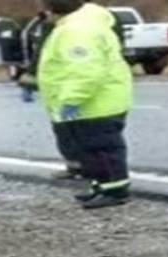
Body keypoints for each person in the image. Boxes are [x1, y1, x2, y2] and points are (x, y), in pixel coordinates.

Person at [37, 0, 134, 209]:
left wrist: (72, 99)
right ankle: (101, 186)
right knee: (90, 150)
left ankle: (115, 190)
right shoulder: (80, 25)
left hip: (94, 104)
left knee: (101, 148)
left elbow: (84, 71)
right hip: (94, 102)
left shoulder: (76, 31)